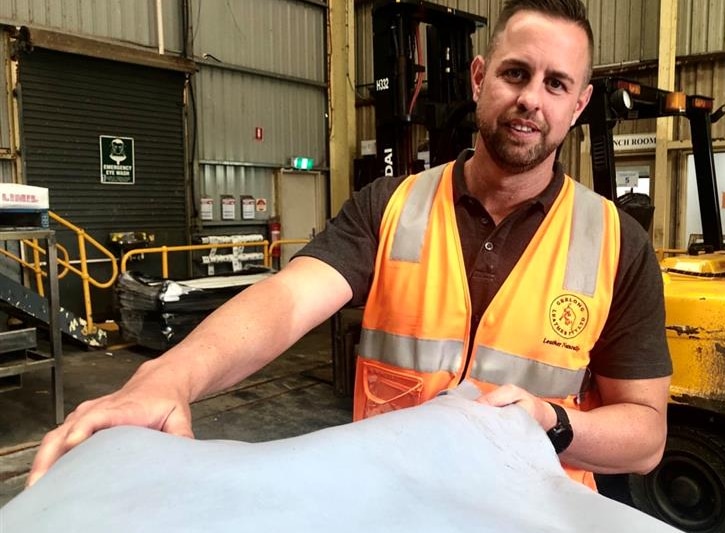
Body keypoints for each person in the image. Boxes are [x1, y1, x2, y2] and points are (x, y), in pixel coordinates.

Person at [28, 0, 671, 490]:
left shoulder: (619, 245)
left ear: (580, 103)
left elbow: (644, 437)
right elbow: (284, 301)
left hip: (530, 512)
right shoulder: (390, 207)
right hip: (384, 500)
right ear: (479, 77)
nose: (531, 98)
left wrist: (555, 425)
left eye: (556, 83)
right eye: (515, 72)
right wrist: (166, 377)